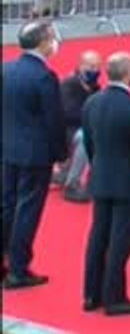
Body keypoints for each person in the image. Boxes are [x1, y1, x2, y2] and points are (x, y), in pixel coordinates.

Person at [81, 52, 130, 316]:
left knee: (98, 236)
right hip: (127, 183)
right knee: (119, 242)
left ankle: (91, 294)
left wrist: (98, 166)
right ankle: (115, 297)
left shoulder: (92, 102)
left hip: (101, 177)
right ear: (129, 73)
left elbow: (88, 142)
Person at [1, 20, 66, 290]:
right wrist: (61, 154)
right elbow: (54, 119)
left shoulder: (7, 70)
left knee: (6, 205)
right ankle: (19, 268)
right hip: (35, 153)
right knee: (27, 210)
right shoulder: (44, 77)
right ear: (42, 42)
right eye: (51, 37)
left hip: (8, 148)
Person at [56, 49, 102, 203]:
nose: (94, 70)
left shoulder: (95, 87)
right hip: (67, 130)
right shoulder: (69, 84)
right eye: (90, 66)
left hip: (84, 127)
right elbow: (67, 113)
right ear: (81, 65)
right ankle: (72, 184)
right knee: (85, 138)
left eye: (97, 67)